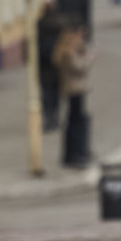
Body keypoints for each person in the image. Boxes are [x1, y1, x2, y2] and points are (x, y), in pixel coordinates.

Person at [53, 25, 93, 169]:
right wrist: (89, 57)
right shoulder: (68, 51)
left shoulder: (68, 49)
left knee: (76, 121)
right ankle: (73, 154)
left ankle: (77, 152)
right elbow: (79, 66)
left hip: (76, 90)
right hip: (74, 90)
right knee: (74, 123)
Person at [37, 2, 65, 132]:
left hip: (45, 66)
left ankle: (50, 118)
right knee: (53, 94)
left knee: (47, 94)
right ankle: (53, 118)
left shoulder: (39, 24)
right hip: (56, 65)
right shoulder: (60, 24)